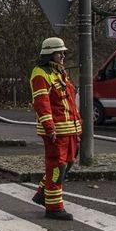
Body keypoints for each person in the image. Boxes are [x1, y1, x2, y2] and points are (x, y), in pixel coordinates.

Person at [29, 37, 82, 220]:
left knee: (67, 165)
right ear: (50, 54)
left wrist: (78, 126)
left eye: (63, 52)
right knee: (57, 168)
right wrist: (49, 127)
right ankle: (54, 207)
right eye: (60, 52)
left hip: (69, 130)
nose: (63, 55)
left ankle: (43, 194)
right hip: (56, 132)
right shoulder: (40, 73)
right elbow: (41, 103)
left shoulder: (60, 73)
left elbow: (70, 104)